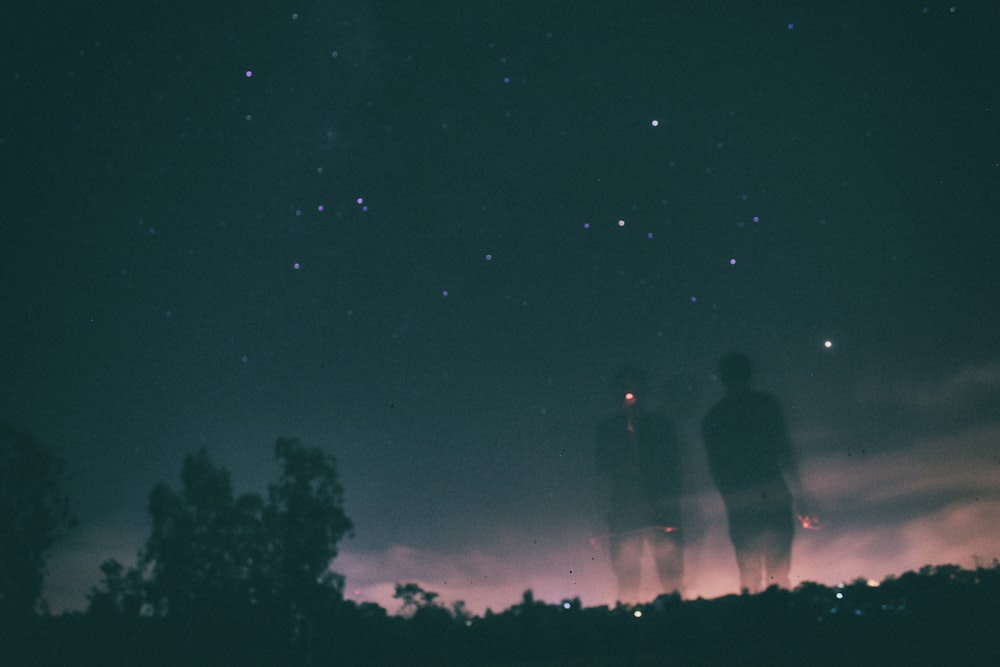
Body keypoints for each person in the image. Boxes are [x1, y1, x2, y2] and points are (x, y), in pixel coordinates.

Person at [701, 353, 805, 593]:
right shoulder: (766, 405)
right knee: (777, 570)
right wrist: (800, 495)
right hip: (772, 490)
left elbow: (716, 468)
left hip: (741, 500)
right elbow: (785, 452)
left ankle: (756, 619)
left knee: (750, 571)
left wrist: (731, 499)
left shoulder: (715, 416)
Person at [595, 366, 684, 602]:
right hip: (626, 511)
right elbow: (601, 466)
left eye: (633, 387)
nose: (629, 393)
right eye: (624, 388)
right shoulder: (609, 428)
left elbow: (674, 466)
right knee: (627, 576)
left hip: (659, 508)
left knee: (670, 572)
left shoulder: (661, 425)